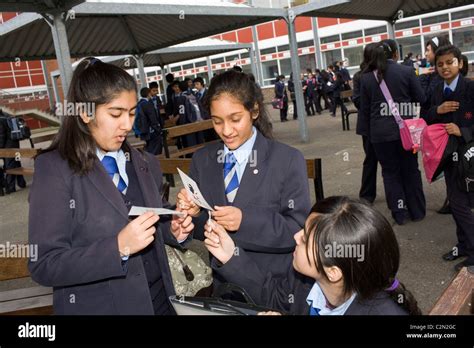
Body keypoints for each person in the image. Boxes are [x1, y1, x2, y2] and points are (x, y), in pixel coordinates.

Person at [28, 57, 194, 315]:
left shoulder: (144, 161)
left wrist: (173, 228)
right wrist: (117, 248)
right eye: (115, 114)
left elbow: (153, 217)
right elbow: (44, 264)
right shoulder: (55, 169)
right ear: (84, 112)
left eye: (131, 112)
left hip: (161, 305)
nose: (127, 125)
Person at [176, 70, 311, 291]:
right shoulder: (203, 159)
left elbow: (297, 229)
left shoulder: (287, 160)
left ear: (254, 110)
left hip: (273, 286)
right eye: (217, 121)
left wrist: (245, 222)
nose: (226, 131)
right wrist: (194, 214)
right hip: (224, 285)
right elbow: (201, 230)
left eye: (235, 119)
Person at [204, 196, 421, 315]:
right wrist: (230, 255)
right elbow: (274, 296)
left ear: (333, 272)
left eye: (306, 238)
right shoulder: (309, 283)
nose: (296, 236)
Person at [359, 39, 426, 225]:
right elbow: (421, 97)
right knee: (411, 170)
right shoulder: (406, 71)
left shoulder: (366, 78)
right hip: (406, 132)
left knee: (390, 173)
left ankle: (400, 213)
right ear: (395, 54)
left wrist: (369, 136)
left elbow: (364, 111)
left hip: (380, 136)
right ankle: (417, 211)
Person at [423, 45, 474, 272]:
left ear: (460, 64)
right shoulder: (435, 90)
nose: (445, 67)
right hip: (447, 156)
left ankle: (472, 249)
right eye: (440, 64)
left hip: (469, 156)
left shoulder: (470, 88)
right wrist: (438, 110)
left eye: (450, 62)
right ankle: (463, 245)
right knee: (456, 202)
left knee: (461, 204)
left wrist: (463, 131)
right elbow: (425, 116)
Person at [419, 36, 452, 215]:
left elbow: (424, 99)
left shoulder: (438, 77)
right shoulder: (438, 75)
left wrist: (424, 78)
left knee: (449, 163)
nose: (425, 53)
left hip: (442, 128)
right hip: (440, 126)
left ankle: (454, 200)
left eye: (428, 50)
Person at [353, 42, 379, 204]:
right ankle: (367, 194)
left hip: (382, 123)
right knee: (370, 159)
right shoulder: (360, 76)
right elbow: (357, 100)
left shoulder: (384, 73)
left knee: (388, 161)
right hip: (368, 125)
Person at [0, 109, 27, 194]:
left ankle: (10, 187)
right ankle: (21, 183)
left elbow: (1, 136)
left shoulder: (0, 120)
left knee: (10, 166)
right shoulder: (7, 116)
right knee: (17, 163)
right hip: (16, 144)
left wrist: (0, 148)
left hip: (8, 147)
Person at [138, 87, 164, 155]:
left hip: (144, 131)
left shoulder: (139, 104)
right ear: (148, 94)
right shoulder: (147, 104)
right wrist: (158, 129)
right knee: (155, 149)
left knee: (149, 148)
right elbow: (152, 118)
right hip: (152, 131)